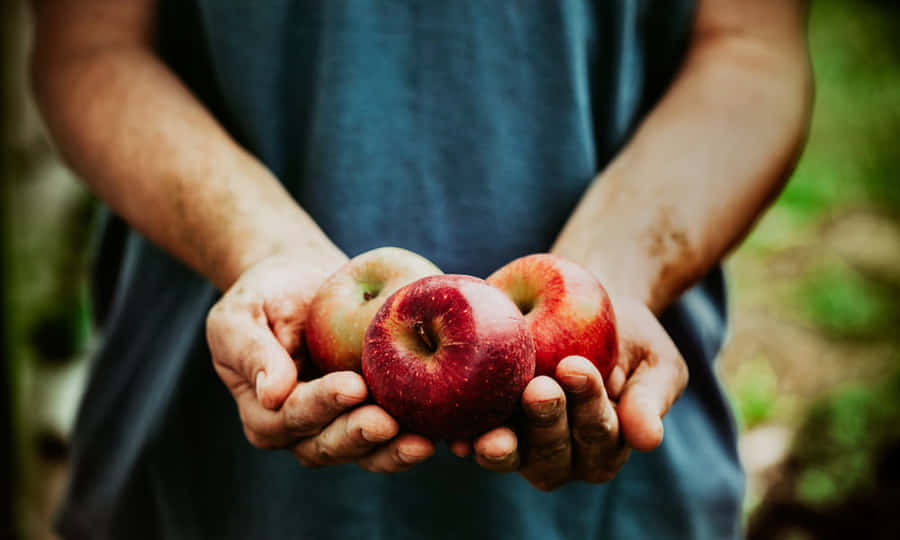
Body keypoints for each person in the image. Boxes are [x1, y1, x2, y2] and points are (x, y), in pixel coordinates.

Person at [30, 0, 812, 538]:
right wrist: (260, 249)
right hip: (210, 462)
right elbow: (90, 45)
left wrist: (622, 268)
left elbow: (748, 45)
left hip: (619, 467)